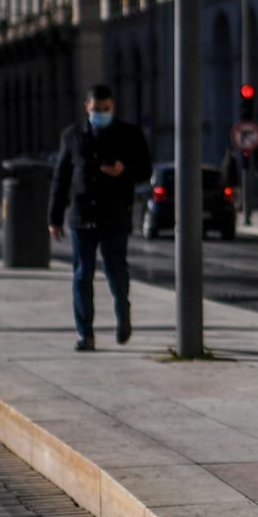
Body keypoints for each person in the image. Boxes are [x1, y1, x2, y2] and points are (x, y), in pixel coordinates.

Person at [49, 85, 152, 351]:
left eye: (106, 110)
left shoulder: (129, 134)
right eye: (96, 110)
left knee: (116, 272)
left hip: (115, 215)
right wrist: (54, 217)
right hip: (82, 215)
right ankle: (86, 334)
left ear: (113, 106)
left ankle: (123, 315)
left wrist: (124, 171)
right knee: (82, 275)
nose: (101, 114)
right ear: (87, 108)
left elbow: (145, 170)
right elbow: (61, 178)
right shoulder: (72, 136)